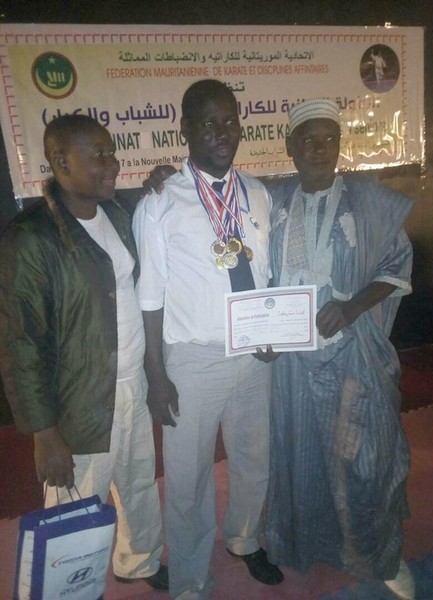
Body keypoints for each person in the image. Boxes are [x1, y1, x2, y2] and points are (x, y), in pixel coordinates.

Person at [0, 114, 168, 591]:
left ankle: (139, 562)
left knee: (139, 485)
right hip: (79, 402)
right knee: (75, 509)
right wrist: (44, 433)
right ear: (60, 161)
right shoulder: (31, 237)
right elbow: (20, 345)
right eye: (98, 155)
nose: (112, 163)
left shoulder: (115, 215)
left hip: (132, 385)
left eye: (111, 152)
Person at [132, 79, 283, 600]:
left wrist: (272, 330)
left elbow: (266, 275)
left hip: (253, 353)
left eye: (229, 121)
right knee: (188, 476)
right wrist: (156, 374)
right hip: (192, 360)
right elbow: (149, 296)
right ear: (186, 130)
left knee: (253, 457)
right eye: (208, 123)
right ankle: (191, 577)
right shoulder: (160, 201)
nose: (222, 132)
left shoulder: (258, 193)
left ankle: (244, 537)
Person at [266, 98, 415, 600]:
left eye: (329, 139)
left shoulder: (368, 202)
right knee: (300, 454)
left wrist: (351, 308)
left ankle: (381, 554)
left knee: (368, 456)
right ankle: (309, 545)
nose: (319, 149)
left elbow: (396, 267)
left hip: (353, 352)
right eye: (308, 140)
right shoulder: (272, 201)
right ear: (290, 146)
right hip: (290, 362)